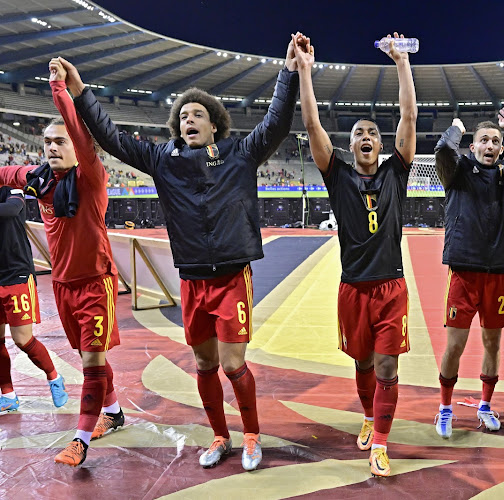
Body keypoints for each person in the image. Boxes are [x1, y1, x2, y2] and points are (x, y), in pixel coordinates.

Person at [63, 33, 301, 471]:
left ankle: (251, 435)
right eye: (183, 116)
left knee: (233, 364)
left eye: (198, 114)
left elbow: (276, 123)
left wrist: (288, 72)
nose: (189, 119)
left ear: (215, 125)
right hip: (192, 279)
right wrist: (81, 93)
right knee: (204, 364)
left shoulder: (240, 153)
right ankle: (220, 436)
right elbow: (113, 139)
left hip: (230, 276)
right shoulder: (162, 160)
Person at [294, 33, 416, 477]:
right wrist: (305, 72)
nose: (366, 136)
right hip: (352, 288)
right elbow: (312, 126)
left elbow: (408, 114)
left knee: (387, 364)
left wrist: (401, 62)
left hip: (391, 286)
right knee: (364, 364)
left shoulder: (395, 174)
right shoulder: (338, 175)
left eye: (372, 133)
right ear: (350, 146)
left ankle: (380, 443)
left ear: (381, 146)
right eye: (359, 133)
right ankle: (369, 416)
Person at [0, 59, 125, 467]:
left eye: (61, 141)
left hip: (95, 283)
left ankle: (81, 439)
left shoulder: (90, 177)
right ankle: (115, 413)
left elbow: (78, 128)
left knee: (91, 361)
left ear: (76, 146)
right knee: (96, 359)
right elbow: (6, 172)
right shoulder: (40, 179)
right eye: (47, 143)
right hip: (63, 286)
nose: (52, 147)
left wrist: (59, 88)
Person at [433, 109, 504, 438]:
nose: (490, 145)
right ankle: (445, 408)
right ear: (472, 146)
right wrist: (456, 127)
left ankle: (484, 405)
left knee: (493, 345)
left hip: (496, 274)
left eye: (496, 141)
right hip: (464, 273)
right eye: (483, 140)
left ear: (501, 149)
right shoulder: (457, 172)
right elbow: (441, 151)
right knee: (455, 347)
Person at [0, 186, 68, 414]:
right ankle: (8, 395)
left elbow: (12, 209)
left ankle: (54, 378)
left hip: (17, 275)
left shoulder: (13, 191)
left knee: (22, 339)